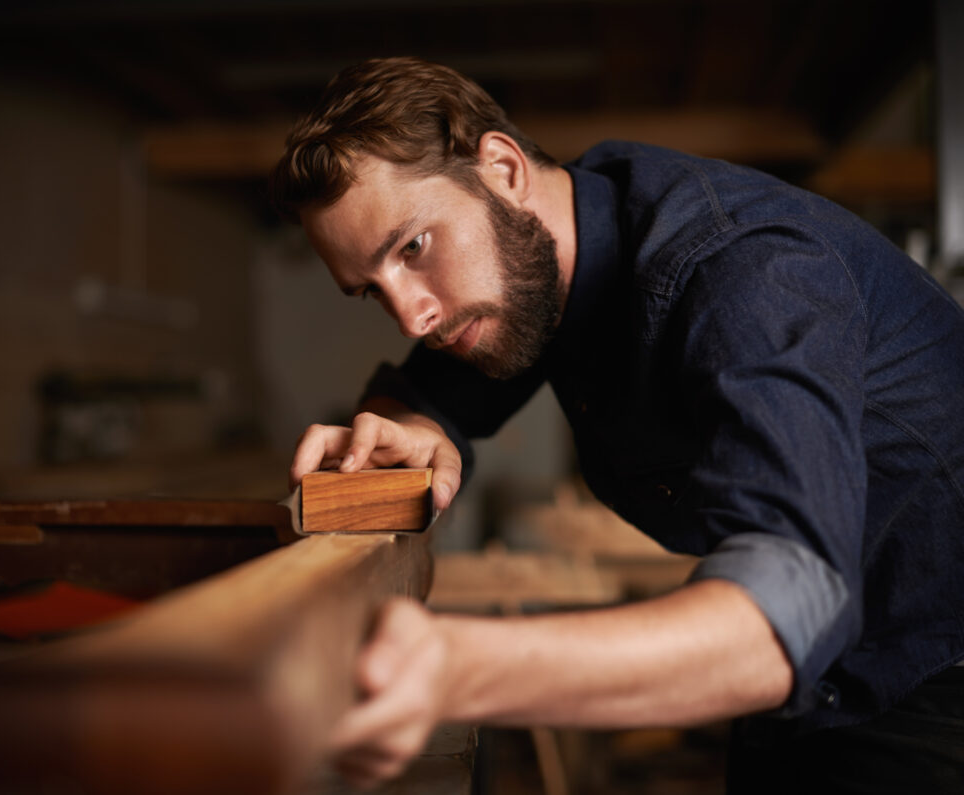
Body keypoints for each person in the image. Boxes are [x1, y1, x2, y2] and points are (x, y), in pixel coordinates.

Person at [270, 56, 964, 793]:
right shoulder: (552, 243)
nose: (412, 314)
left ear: (502, 168)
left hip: (934, 688)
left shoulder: (746, 274)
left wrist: (459, 666)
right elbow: (431, 391)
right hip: (810, 691)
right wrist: (414, 423)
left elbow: (780, 616)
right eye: (370, 291)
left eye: (413, 248)